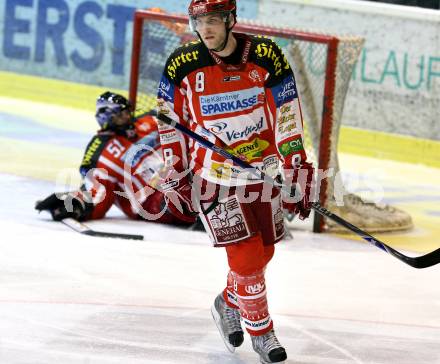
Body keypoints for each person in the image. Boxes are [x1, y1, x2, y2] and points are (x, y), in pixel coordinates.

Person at [156, 0, 315, 363]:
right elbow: (169, 121)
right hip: (212, 173)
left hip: (262, 169)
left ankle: (227, 301)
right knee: (245, 257)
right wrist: (175, 171)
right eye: (198, 21)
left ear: (231, 20)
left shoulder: (266, 55)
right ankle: (263, 333)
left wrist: (296, 167)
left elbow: (287, 113)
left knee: (265, 251)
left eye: (213, 20)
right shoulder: (182, 63)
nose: (205, 28)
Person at [36, 91, 197, 227]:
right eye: (120, 115)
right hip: (151, 200)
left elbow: (184, 129)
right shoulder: (100, 151)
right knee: (178, 199)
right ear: (107, 118)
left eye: (127, 112)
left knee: (205, 171)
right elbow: (98, 190)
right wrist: (77, 204)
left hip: (180, 174)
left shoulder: (149, 121)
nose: (127, 117)